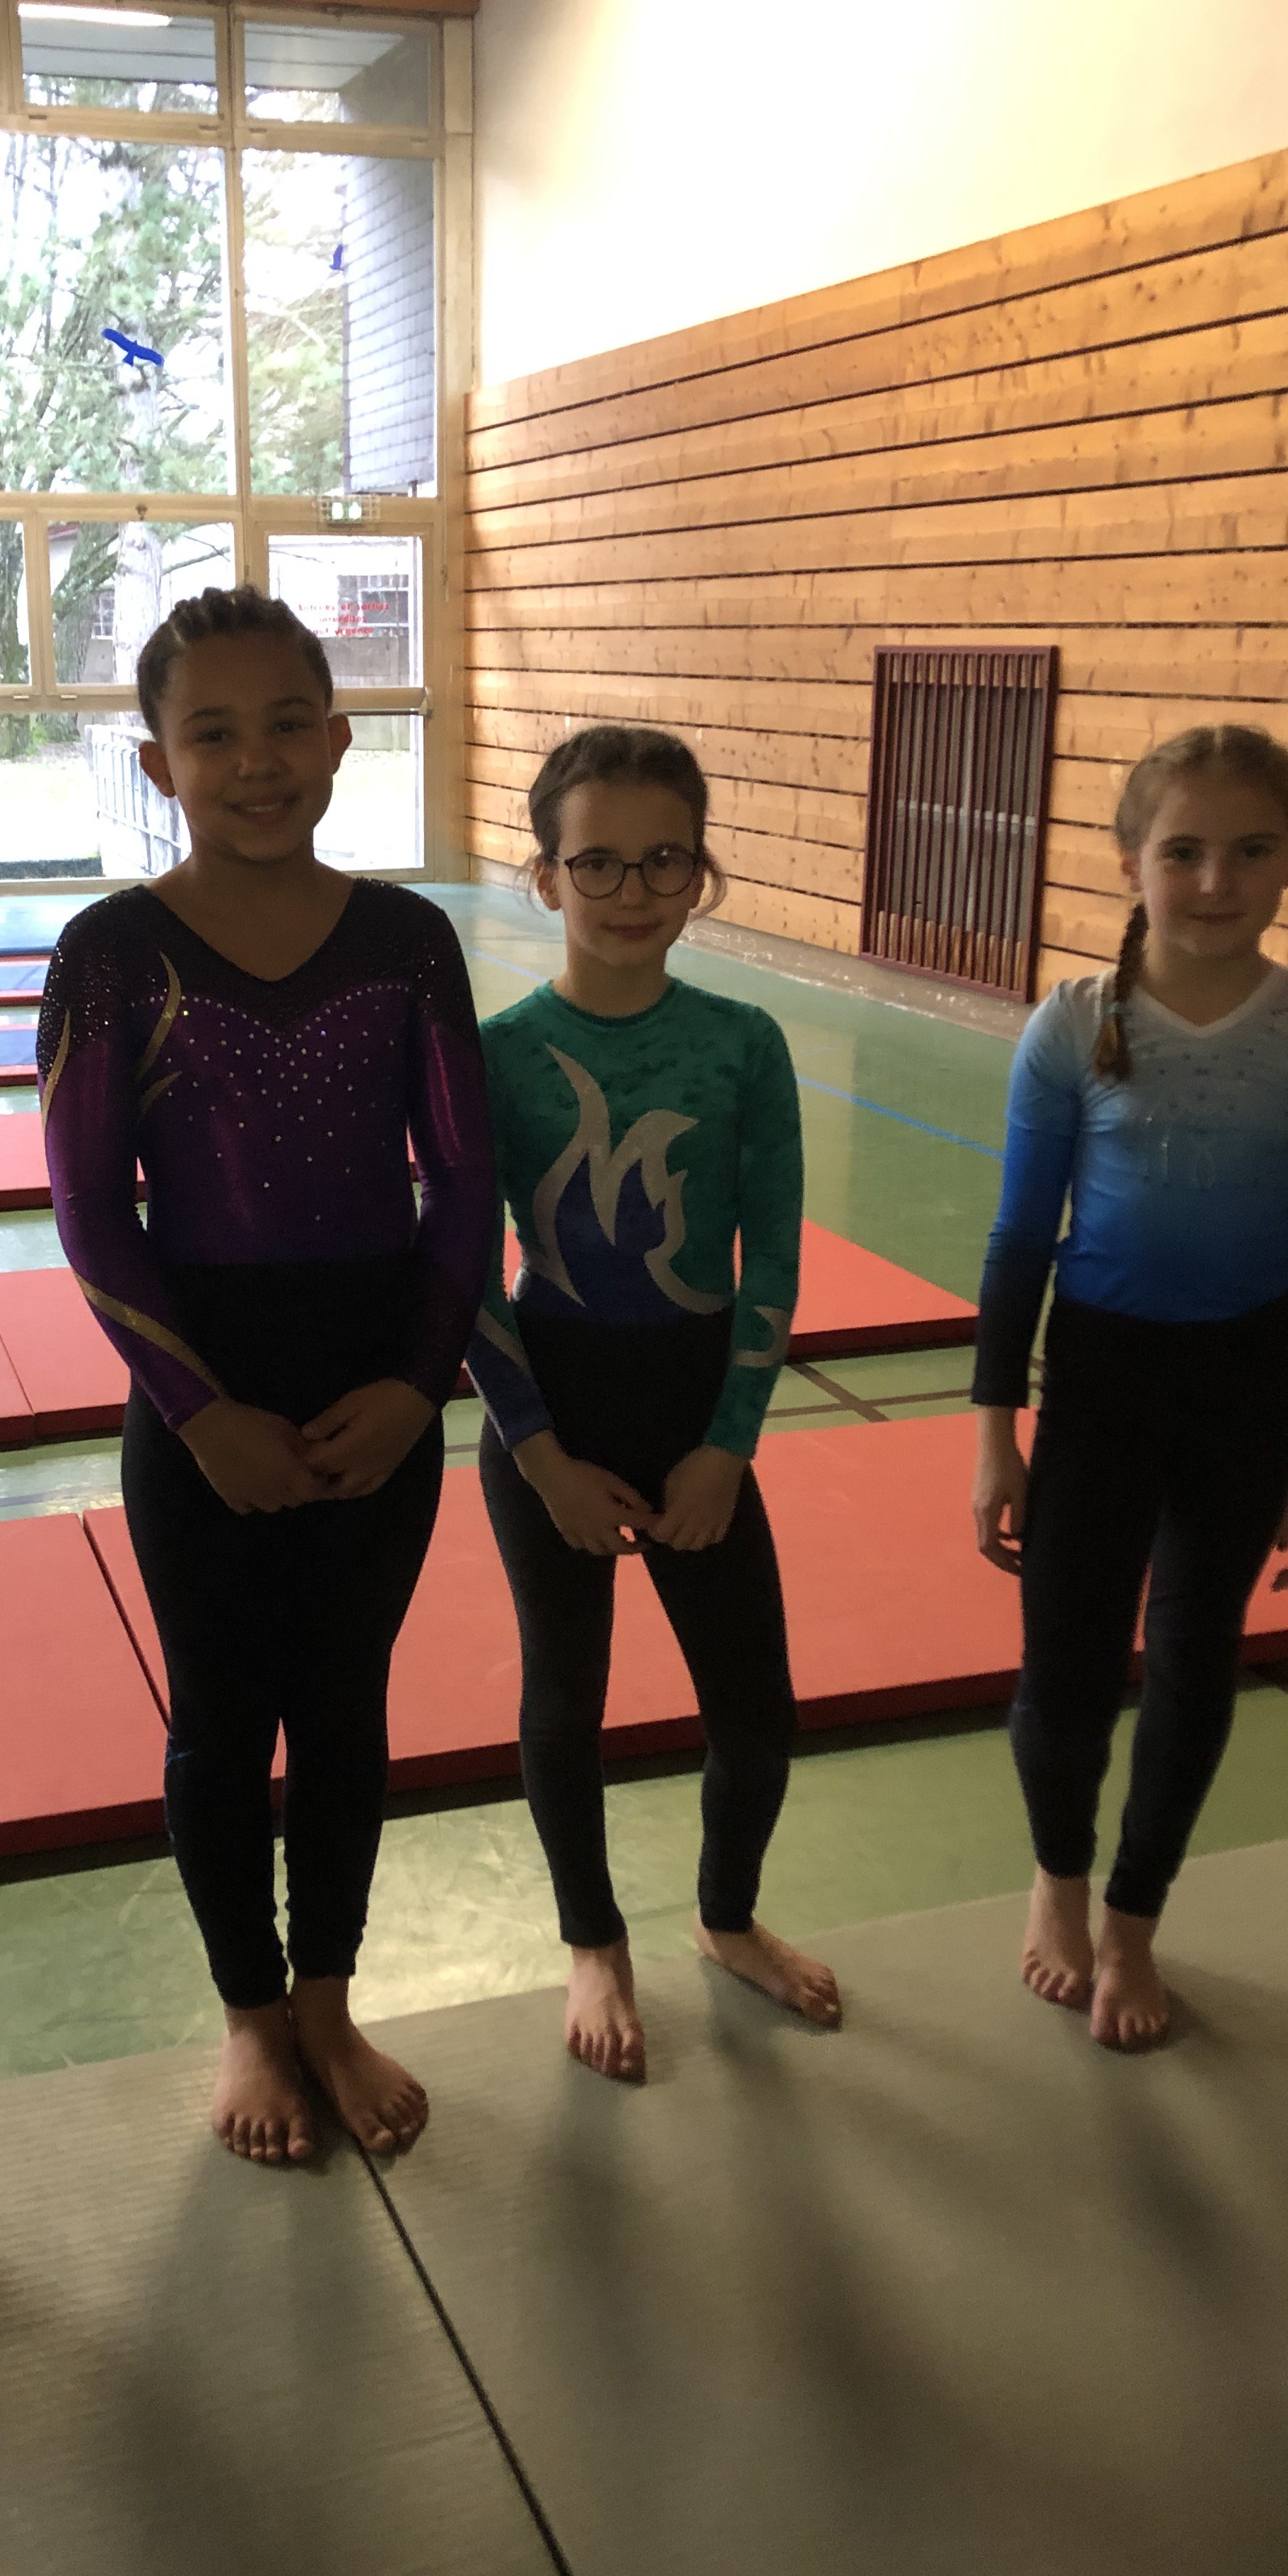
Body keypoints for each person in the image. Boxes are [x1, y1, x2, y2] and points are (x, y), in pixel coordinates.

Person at [39, 587, 492, 2165]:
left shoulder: (408, 939)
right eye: (213, 733)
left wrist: (420, 1385)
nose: (256, 762)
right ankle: (247, 2009)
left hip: (378, 1375)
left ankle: (328, 1998)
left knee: (348, 1707)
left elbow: (467, 1184)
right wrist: (199, 1412)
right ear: (156, 761)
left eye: (288, 724)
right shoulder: (111, 950)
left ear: (340, 739)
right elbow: (91, 1208)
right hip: (203, 1388)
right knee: (222, 1719)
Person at [971, 723, 1288, 2050]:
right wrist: (995, 1432)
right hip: (1100, 1379)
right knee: (1067, 1666)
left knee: (1198, 1666)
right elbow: (1020, 1238)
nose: (1216, 882)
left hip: (1249, 1384)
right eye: (1185, 851)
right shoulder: (1074, 1024)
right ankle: (1059, 1878)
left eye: (1252, 851)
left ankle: (1136, 1918)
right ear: (1130, 861)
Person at [467, 724, 841, 2083]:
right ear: (546, 876)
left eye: (664, 861)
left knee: (756, 1712)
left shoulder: (743, 1045)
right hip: (553, 1410)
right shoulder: (499, 1054)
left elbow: (773, 1262)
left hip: (696, 1414)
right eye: (599, 863)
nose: (632, 891)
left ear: (703, 873)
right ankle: (594, 1941)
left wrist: (727, 1450)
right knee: (566, 1702)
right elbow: (465, 1278)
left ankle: (726, 1919)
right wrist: (540, 1455)